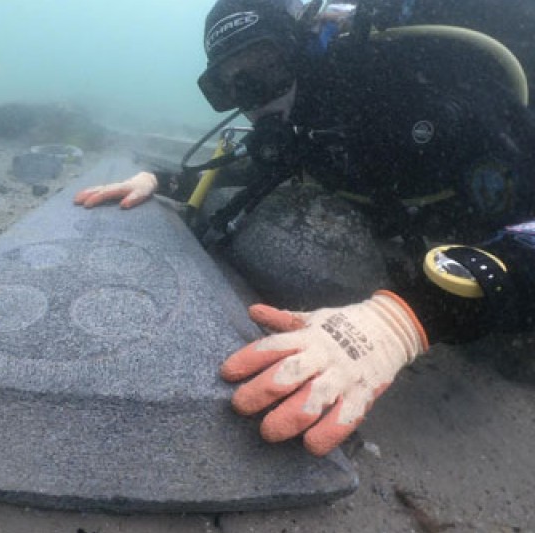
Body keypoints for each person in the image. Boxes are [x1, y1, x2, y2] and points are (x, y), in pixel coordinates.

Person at [73, 0, 535, 457]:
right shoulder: (307, 123)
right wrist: (162, 179)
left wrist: (409, 320)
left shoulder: (426, 93)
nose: (254, 98)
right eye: (232, 84)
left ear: (300, 51)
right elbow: (258, 169)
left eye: (264, 68)